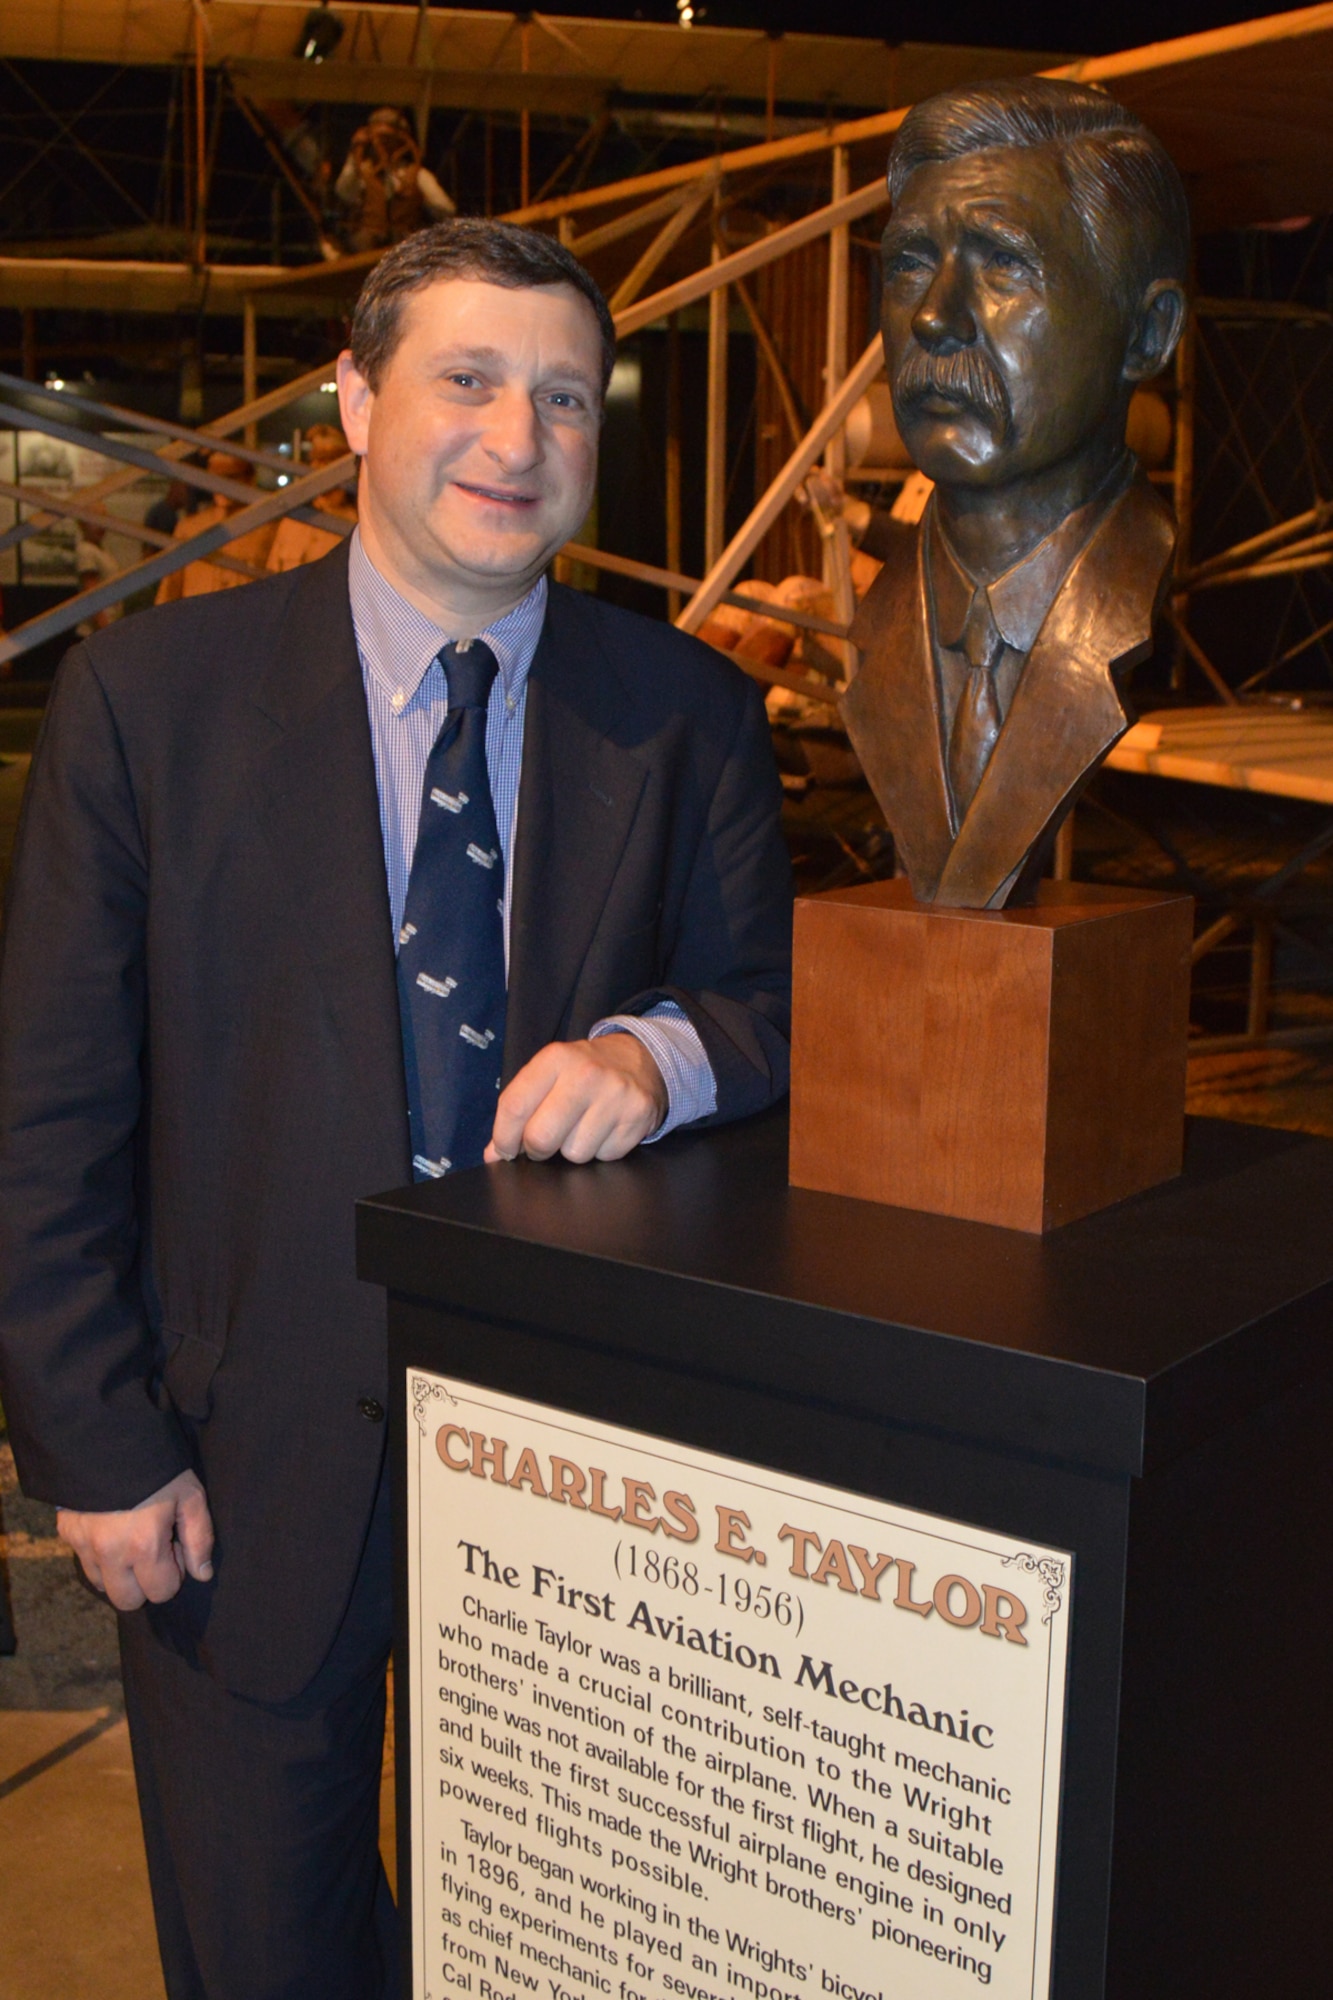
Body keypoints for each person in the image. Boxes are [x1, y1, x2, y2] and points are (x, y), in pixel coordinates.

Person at [0, 219, 790, 2000]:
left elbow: (772, 1007)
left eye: (565, 397)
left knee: (536, 1952)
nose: (518, 437)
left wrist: (656, 1056)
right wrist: (95, 1440)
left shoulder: (687, 719)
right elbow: (48, 1112)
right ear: (354, 401)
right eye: (467, 379)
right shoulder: (147, 706)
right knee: (264, 1952)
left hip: (577, 1500)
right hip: (231, 1466)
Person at [840, 77, 1189, 910]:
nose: (933, 317)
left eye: (1003, 263)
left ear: (1144, 334)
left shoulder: (1125, 604)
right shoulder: (886, 628)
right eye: (910, 263)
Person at [153, 451, 276, 602]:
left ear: (249, 479)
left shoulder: (268, 528)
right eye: (216, 478)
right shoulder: (190, 529)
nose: (222, 485)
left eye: (231, 477)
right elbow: (170, 588)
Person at [334, 106, 455, 254]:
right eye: (379, 139)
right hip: (364, 251)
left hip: (405, 252)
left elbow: (445, 209)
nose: (383, 144)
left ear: (401, 141)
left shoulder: (418, 175)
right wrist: (354, 154)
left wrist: (419, 199)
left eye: (389, 139)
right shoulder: (360, 173)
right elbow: (344, 191)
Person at [266, 422, 357, 572]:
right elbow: (273, 575)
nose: (321, 468)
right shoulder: (293, 523)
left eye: (330, 461)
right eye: (317, 460)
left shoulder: (359, 524)